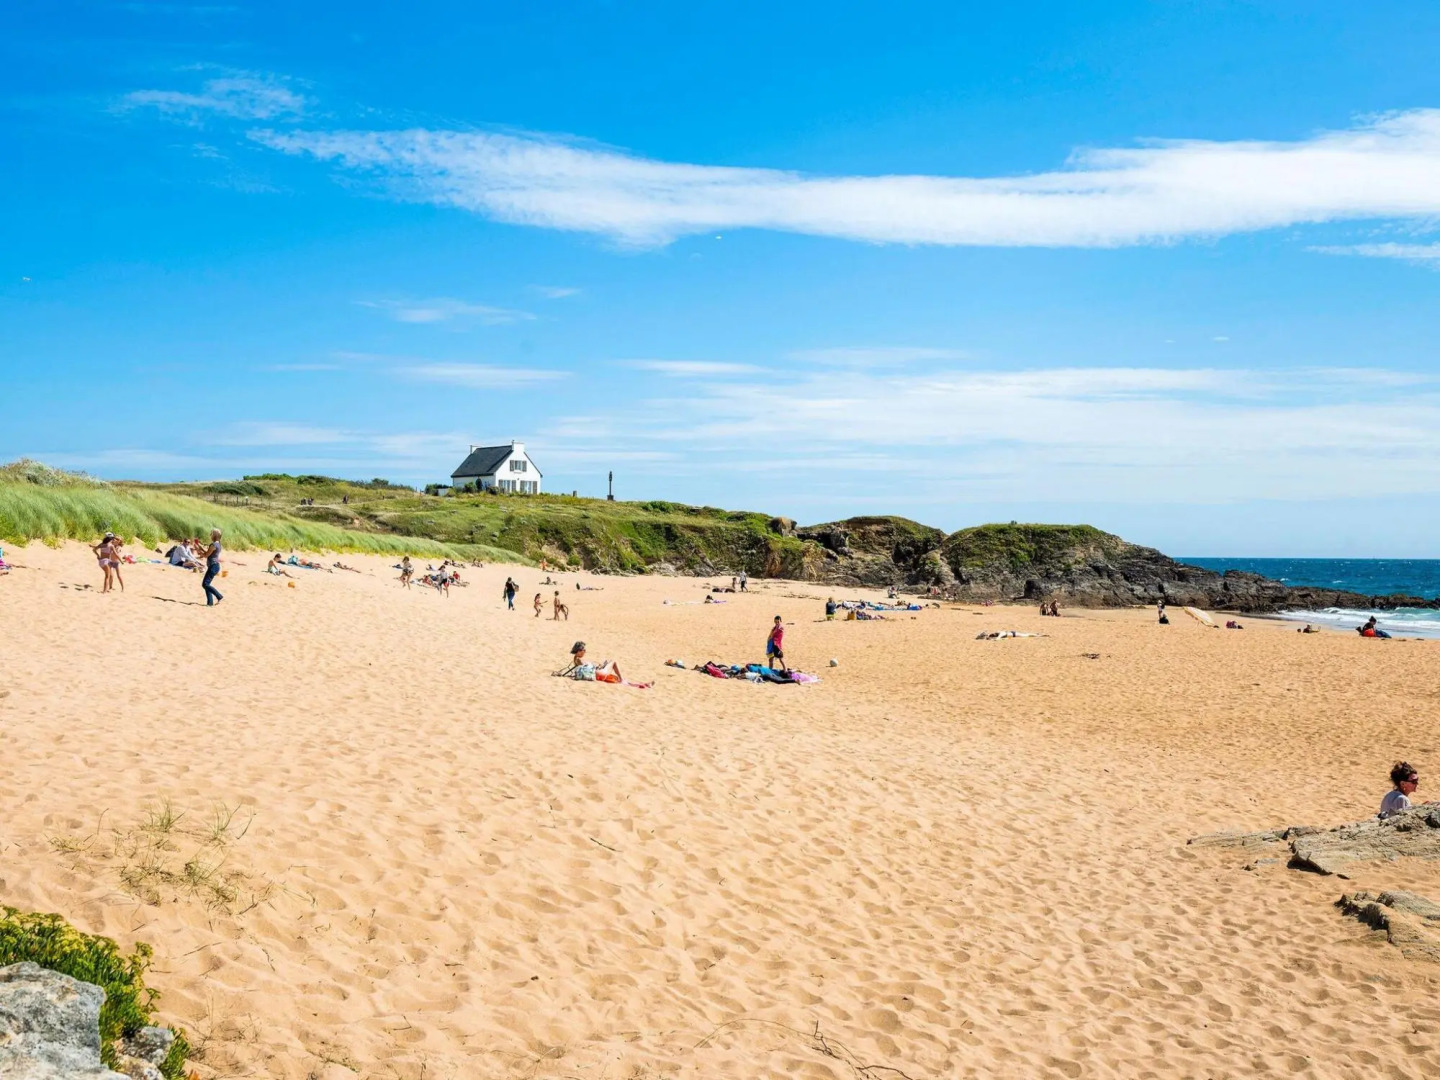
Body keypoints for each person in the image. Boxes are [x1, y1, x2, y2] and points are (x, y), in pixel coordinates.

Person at [201, 529, 223, 606]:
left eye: (211, 534)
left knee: (205, 584)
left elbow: (206, 555)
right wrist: (199, 548)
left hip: (213, 566)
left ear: (214, 535)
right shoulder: (219, 544)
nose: (210, 535)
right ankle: (210, 603)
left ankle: (219, 596)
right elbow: (208, 553)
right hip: (215, 566)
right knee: (207, 584)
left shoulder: (213, 545)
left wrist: (201, 553)